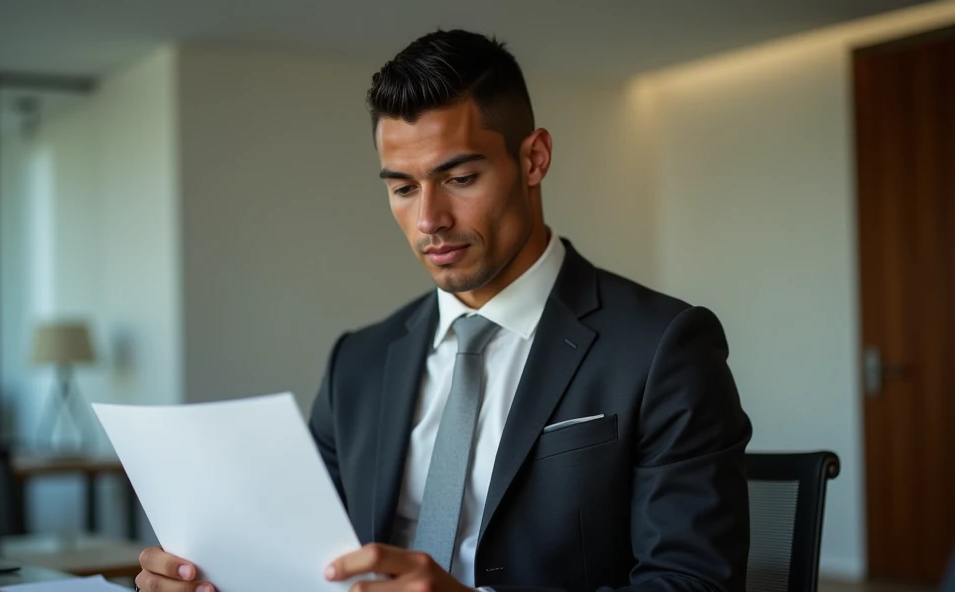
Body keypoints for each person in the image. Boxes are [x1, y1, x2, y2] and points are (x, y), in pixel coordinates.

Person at [136, 29, 752, 592]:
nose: (429, 220)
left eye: (459, 178)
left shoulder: (664, 346)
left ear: (533, 159)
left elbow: (695, 584)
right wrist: (218, 577)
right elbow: (304, 561)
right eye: (403, 188)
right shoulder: (358, 361)